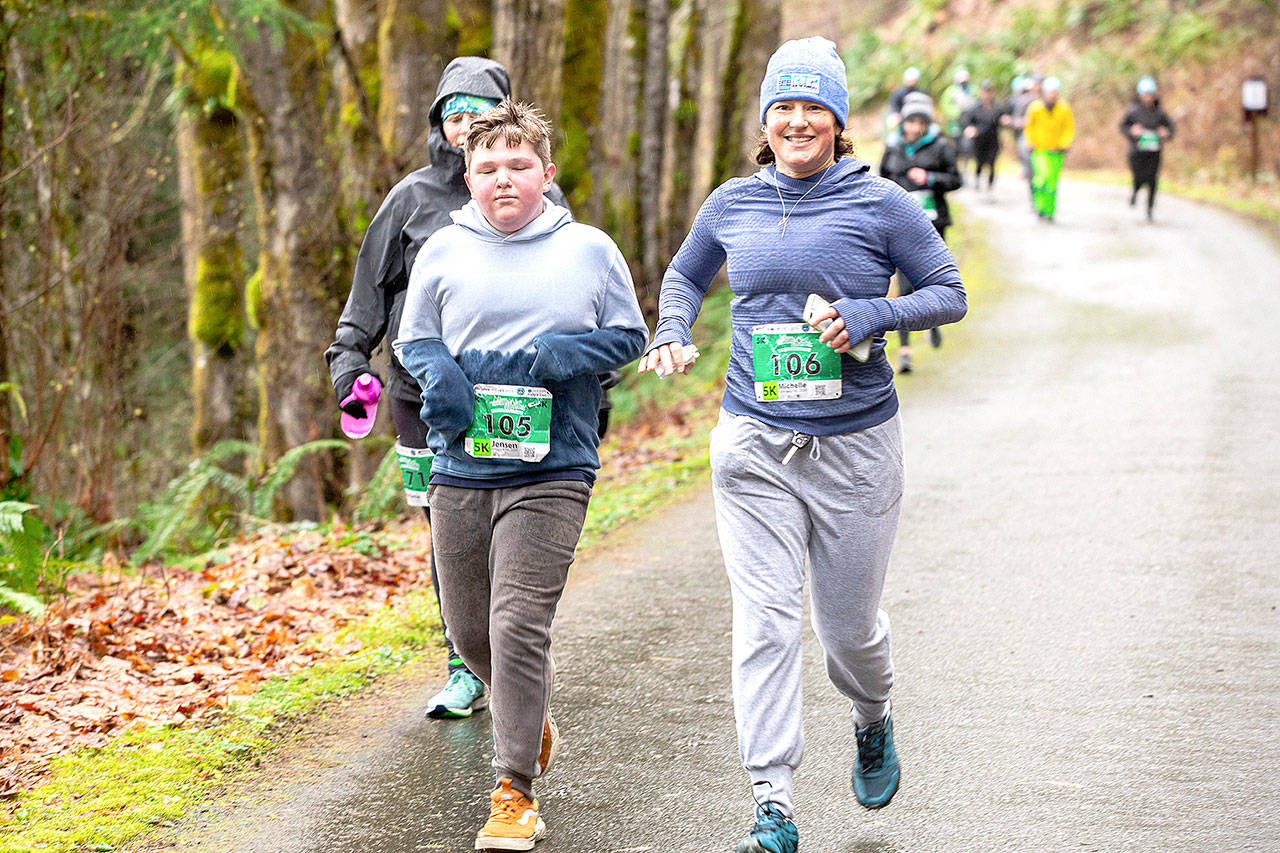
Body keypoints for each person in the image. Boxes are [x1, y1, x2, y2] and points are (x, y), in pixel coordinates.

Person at [639, 37, 967, 853]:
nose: (796, 120)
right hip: (752, 440)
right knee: (765, 620)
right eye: (782, 106)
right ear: (764, 119)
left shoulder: (881, 202)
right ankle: (772, 803)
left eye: (812, 105)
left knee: (847, 630)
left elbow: (948, 293)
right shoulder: (731, 203)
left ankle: (870, 713)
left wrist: (868, 316)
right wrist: (673, 326)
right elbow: (683, 276)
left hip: (855, 444)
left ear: (838, 120)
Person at [394, 100, 647, 851]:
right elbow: (415, 338)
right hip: (463, 461)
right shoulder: (442, 248)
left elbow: (630, 333)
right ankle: (526, 714)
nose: (503, 179)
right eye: (487, 167)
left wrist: (579, 353)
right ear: (468, 176)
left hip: (553, 462)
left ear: (546, 173)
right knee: (471, 630)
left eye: (518, 165)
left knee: (516, 624)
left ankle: (513, 791)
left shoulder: (589, 250)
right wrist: (438, 372)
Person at [880, 92, 962, 373]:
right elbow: (881, 182)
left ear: (926, 124)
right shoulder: (893, 147)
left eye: (920, 122)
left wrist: (930, 179)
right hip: (901, 226)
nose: (914, 128)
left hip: (934, 223)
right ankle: (904, 352)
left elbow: (956, 180)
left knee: (930, 281)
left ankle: (935, 321)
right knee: (903, 286)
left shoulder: (941, 146)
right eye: (910, 122)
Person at [1120, 76, 1174, 221]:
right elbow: (1123, 126)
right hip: (1136, 152)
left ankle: (1149, 209)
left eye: (1150, 94)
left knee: (1152, 179)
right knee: (1139, 177)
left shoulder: (1160, 112)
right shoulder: (1133, 111)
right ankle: (1135, 192)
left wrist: (1166, 133)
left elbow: (1170, 128)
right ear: (1140, 94)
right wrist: (1132, 131)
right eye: (1145, 94)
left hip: (1154, 152)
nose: (1147, 97)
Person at [1025, 76, 1074, 222]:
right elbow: (1029, 127)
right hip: (1040, 150)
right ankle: (1039, 206)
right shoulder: (1035, 108)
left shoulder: (1064, 108)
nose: (1052, 94)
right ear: (1045, 92)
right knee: (1041, 180)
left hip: (1057, 152)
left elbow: (1068, 128)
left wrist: (1065, 143)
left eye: (1055, 92)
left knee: (1052, 184)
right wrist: (1030, 142)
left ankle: (1050, 211)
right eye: (1050, 91)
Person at [962, 80, 1007, 191]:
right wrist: (970, 129)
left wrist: (1006, 121)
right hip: (979, 141)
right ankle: (977, 180)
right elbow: (967, 122)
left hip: (993, 140)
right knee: (979, 163)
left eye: (989, 91)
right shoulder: (975, 108)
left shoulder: (997, 107)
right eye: (985, 91)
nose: (987, 94)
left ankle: (990, 187)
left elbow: (1003, 119)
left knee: (992, 164)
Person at [1008, 74, 1039, 208]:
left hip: (1036, 140)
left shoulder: (1037, 101)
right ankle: (1035, 200)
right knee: (1032, 171)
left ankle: (1037, 201)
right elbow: (1015, 121)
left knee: (1035, 172)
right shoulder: (1021, 101)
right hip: (1026, 139)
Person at [939, 67, 976, 168]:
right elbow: (945, 105)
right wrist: (956, 113)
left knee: (967, 146)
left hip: (968, 123)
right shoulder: (951, 91)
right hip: (955, 124)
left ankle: (965, 167)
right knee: (955, 146)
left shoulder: (972, 89)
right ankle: (956, 167)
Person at [886, 66, 923, 132]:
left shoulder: (921, 92)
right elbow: (894, 106)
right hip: (902, 118)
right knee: (892, 122)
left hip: (917, 117)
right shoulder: (898, 93)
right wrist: (896, 114)